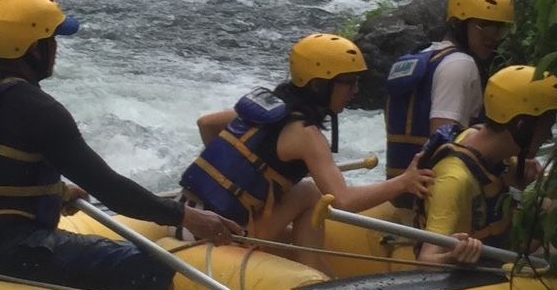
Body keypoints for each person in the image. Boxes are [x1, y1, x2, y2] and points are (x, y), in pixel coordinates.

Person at [0, 0, 240, 290]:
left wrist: (56, 192)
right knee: (152, 264)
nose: (56, 48)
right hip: (10, 251)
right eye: (52, 39)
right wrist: (187, 216)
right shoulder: (39, 109)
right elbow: (111, 190)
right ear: (35, 49)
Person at [183, 33, 434, 269]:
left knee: (293, 233)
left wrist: (243, 177)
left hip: (186, 218)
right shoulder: (307, 135)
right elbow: (343, 201)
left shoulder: (270, 109)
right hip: (215, 232)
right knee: (311, 193)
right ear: (319, 85)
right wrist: (404, 182)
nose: (355, 90)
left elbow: (206, 124)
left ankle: (313, 273)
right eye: (348, 83)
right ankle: (311, 280)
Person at [415, 65, 557, 268]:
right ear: (521, 126)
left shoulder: (482, 138)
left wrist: (520, 177)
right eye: (546, 126)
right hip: (472, 273)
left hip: (500, 247)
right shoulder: (454, 180)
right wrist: (454, 257)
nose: (548, 135)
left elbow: (503, 177)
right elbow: (425, 261)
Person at [384, 0, 515, 180]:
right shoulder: (460, 64)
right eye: (486, 27)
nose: (494, 37)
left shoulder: (425, 54)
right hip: (430, 192)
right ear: (457, 24)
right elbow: (443, 143)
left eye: (500, 29)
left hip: (398, 188)